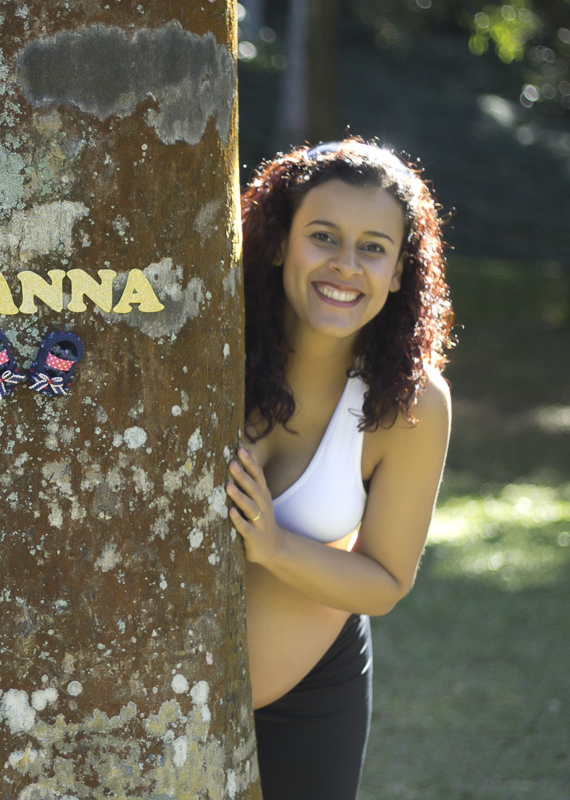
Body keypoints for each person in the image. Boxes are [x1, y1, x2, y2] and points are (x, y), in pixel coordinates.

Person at [225, 139, 454, 799]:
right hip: (147, 690)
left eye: (373, 248)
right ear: (279, 243)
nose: (346, 266)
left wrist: (273, 546)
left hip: (311, 700)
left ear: (399, 271)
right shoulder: (207, 345)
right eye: (323, 236)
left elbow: (385, 583)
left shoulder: (408, 403)